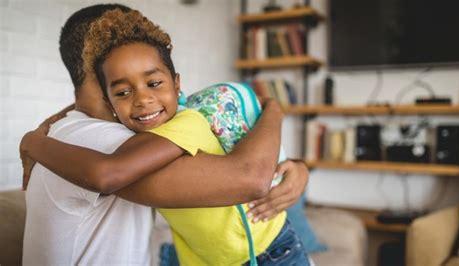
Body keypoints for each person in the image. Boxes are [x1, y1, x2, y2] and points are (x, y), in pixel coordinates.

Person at [20, 4, 309, 266]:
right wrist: (274, 108)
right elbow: (249, 177)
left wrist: (294, 163)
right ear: (97, 67)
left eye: (154, 81)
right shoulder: (101, 140)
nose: (145, 99)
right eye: (123, 89)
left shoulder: (81, 129)